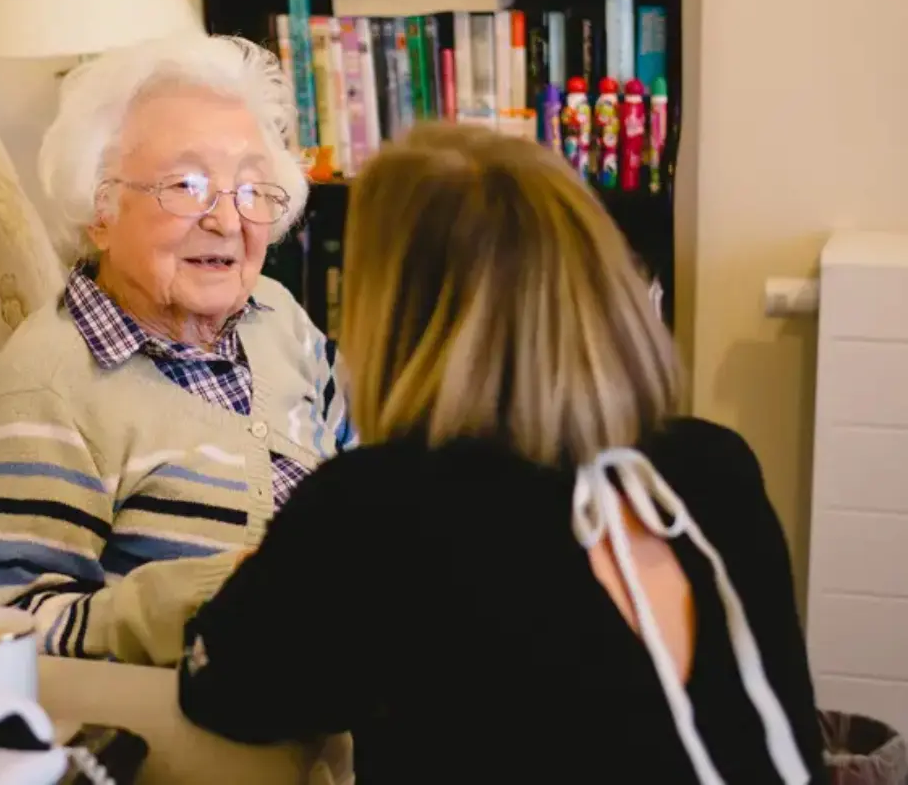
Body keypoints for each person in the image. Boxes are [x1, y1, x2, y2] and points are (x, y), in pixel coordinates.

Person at [177, 124, 828, 784]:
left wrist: (270, 572)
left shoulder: (378, 505)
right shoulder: (714, 465)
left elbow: (224, 689)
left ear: (396, 315)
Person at [0, 34, 351, 666]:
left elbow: (358, 459)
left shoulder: (276, 314)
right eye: (188, 185)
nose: (228, 222)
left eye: (252, 189)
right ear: (101, 209)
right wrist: (209, 596)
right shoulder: (50, 386)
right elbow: (9, 624)